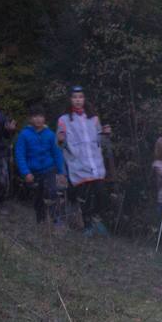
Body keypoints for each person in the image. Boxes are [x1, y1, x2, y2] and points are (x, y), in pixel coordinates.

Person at [56, 86, 111, 236]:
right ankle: (87, 226)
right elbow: (60, 142)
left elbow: (100, 140)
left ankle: (94, 220)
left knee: (101, 195)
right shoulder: (64, 119)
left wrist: (106, 134)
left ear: (84, 99)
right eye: (75, 97)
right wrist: (61, 140)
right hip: (78, 165)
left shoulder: (93, 118)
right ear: (70, 99)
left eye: (80, 97)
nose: (78, 100)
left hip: (96, 165)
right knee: (84, 196)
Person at [14, 106, 67, 225]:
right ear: (30, 119)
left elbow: (57, 153)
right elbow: (20, 155)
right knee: (38, 198)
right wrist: (26, 172)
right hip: (33, 172)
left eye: (41, 116)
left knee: (52, 192)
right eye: (35, 116)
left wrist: (61, 172)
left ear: (44, 118)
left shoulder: (50, 134)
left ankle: (56, 220)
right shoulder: (24, 135)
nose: (38, 119)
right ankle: (41, 221)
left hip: (49, 170)